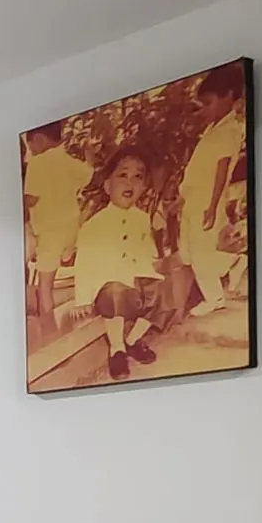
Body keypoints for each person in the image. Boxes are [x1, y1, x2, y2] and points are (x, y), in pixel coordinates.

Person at [70, 148, 175, 380]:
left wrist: (152, 272)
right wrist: (82, 299)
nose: (130, 182)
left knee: (164, 290)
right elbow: (84, 263)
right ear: (108, 186)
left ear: (144, 187)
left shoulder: (142, 218)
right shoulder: (95, 225)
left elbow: (145, 250)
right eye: (123, 175)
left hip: (135, 282)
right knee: (115, 292)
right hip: (107, 288)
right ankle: (116, 349)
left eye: (138, 177)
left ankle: (132, 341)